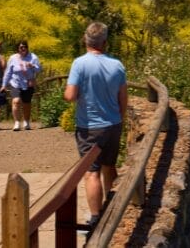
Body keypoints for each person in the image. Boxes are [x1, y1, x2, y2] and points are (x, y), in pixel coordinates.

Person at [64, 22, 128, 234]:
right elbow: (123, 100)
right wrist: (118, 118)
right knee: (109, 166)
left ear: (86, 40)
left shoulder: (79, 64)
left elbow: (71, 96)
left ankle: (96, 219)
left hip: (90, 127)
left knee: (91, 173)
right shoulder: (117, 65)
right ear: (105, 42)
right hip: (113, 124)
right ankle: (113, 210)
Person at [1, 40, 41, 131]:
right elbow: (8, 72)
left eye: (25, 47)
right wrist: (4, 85)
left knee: (26, 103)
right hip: (15, 83)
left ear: (27, 47)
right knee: (16, 101)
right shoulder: (13, 58)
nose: (23, 48)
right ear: (17, 49)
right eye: (21, 47)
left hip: (28, 84)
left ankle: (26, 121)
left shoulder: (33, 57)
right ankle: (17, 122)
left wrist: (33, 66)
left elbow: (39, 69)